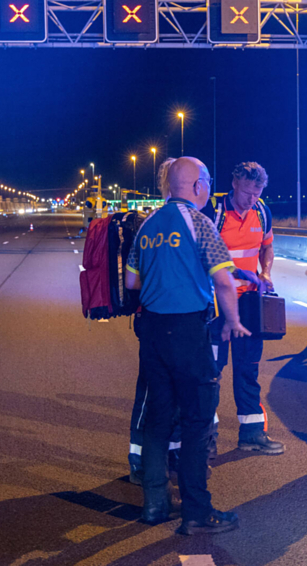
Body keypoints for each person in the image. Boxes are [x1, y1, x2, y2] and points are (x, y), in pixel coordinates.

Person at [125, 156, 248, 535]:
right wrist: (233, 322)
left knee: (159, 419)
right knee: (197, 420)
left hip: (152, 334)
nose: (209, 187)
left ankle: (155, 504)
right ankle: (197, 510)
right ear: (196, 186)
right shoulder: (200, 223)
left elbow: (131, 282)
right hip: (188, 333)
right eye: (207, 180)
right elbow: (224, 282)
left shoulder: (147, 226)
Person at [203, 162, 284, 456]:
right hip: (217, 306)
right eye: (248, 192)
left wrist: (266, 272)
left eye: (258, 192)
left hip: (250, 305)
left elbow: (267, 247)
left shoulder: (262, 212)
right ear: (235, 183)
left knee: (248, 370)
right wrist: (234, 273)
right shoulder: (213, 212)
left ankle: (251, 433)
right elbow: (201, 257)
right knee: (211, 373)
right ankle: (206, 439)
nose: (252, 199)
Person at [129, 157, 180, 485]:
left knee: (152, 392)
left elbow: (132, 282)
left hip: (150, 320)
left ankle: (143, 459)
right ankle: (152, 461)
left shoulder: (148, 224)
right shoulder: (191, 224)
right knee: (170, 392)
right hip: (175, 324)